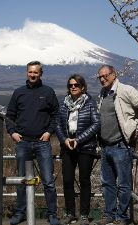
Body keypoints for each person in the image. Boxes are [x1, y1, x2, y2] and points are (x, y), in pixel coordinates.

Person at [94, 65, 138, 225]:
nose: (102, 79)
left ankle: (121, 217)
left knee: (124, 184)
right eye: (100, 77)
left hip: (121, 146)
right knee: (107, 183)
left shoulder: (125, 90)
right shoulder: (102, 93)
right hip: (106, 146)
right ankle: (110, 215)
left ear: (114, 75)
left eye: (105, 75)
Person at [5, 61, 60, 225]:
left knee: (48, 181)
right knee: (22, 180)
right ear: (26, 73)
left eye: (36, 72)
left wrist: (49, 131)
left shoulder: (48, 92)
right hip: (22, 142)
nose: (33, 75)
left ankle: (52, 214)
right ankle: (21, 213)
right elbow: (9, 115)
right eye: (30, 72)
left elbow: (56, 115)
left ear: (41, 73)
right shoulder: (18, 93)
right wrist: (12, 133)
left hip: (42, 143)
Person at [55, 74, 100, 225]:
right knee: (67, 180)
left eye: (76, 85)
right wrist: (64, 139)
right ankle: (69, 213)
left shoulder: (90, 103)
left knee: (84, 180)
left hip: (85, 147)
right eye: (70, 85)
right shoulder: (63, 104)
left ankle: (84, 215)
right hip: (67, 147)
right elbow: (57, 124)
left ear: (83, 87)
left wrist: (79, 140)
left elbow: (96, 124)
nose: (73, 87)